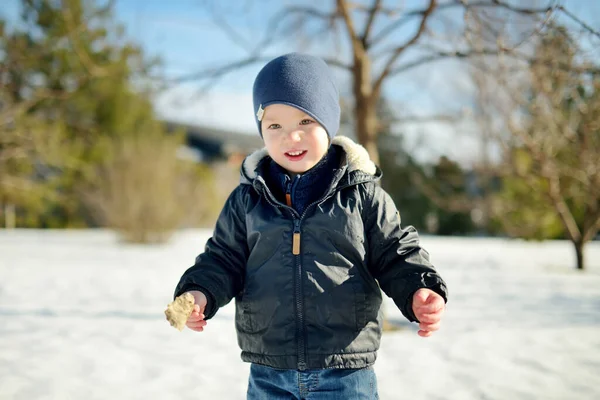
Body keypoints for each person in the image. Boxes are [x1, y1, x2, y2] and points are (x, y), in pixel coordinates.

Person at [173, 52, 448, 399]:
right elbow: (223, 258)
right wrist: (200, 292)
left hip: (344, 370)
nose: (292, 137)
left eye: (305, 122)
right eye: (275, 126)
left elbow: (396, 252)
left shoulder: (362, 195)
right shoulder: (247, 200)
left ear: (329, 123)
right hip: (269, 371)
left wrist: (419, 289)